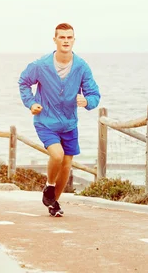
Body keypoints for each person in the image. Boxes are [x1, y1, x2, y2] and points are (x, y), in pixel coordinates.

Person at [18, 23, 100, 217]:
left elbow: (94, 94)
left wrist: (87, 100)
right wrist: (31, 103)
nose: (65, 41)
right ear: (55, 40)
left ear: (74, 40)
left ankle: (54, 202)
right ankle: (49, 185)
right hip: (46, 121)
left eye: (69, 37)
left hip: (70, 124)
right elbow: (23, 82)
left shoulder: (81, 67)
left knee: (66, 165)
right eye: (61, 37)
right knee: (57, 155)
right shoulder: (41, 65)